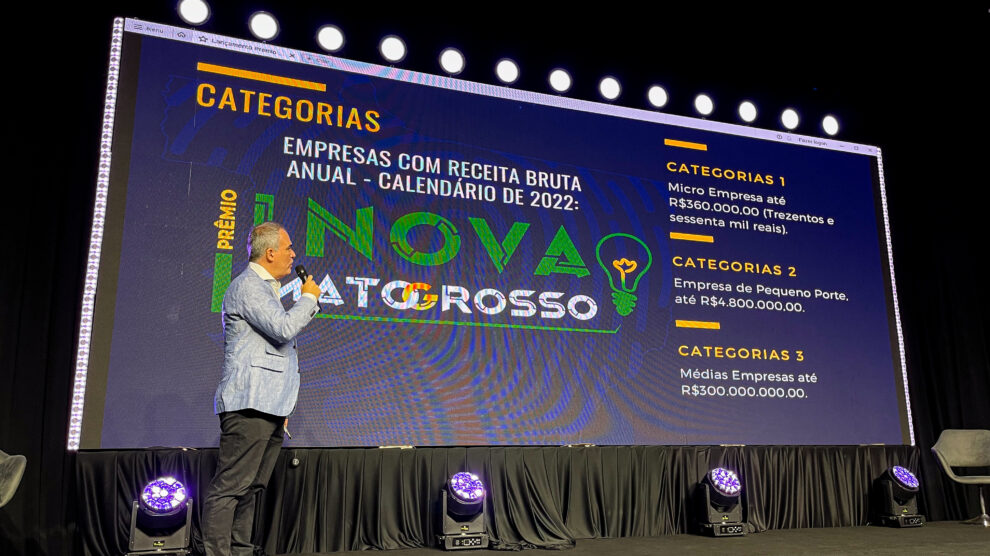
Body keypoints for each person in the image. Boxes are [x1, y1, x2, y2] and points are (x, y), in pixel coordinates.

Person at [201, 221, 322, 556]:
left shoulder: (265, 289)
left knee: (252, 488)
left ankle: (240, 551)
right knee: (231, 487)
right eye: (288, 248)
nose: (293, 254)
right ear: (270, 253)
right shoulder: (248, 286)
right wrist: (308, 297)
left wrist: (279, 405)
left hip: (267, 407)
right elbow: (283, 329)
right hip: (248, 405)